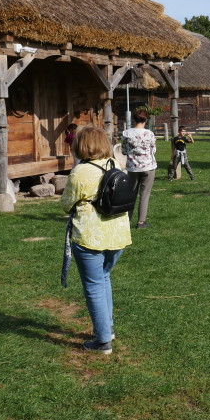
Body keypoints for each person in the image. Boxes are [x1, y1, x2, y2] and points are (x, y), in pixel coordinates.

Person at [61, 126, 132, 353]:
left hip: (91, 237)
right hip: (118, 234)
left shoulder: (80, 172)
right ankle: (107, 327)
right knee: (104, 278)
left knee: (93, 286)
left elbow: (66, 205)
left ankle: (102, 341)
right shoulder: (115, 164)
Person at [121, 108, 157, 228]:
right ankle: (141, 222)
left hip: (132, 168)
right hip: (148, 166)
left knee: (131, 194)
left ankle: (127, 220)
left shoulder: (126, 133)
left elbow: (124, 151)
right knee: (144, 194)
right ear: (146, 120)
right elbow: (153, 150)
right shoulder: (149, 134)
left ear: (133, 119)